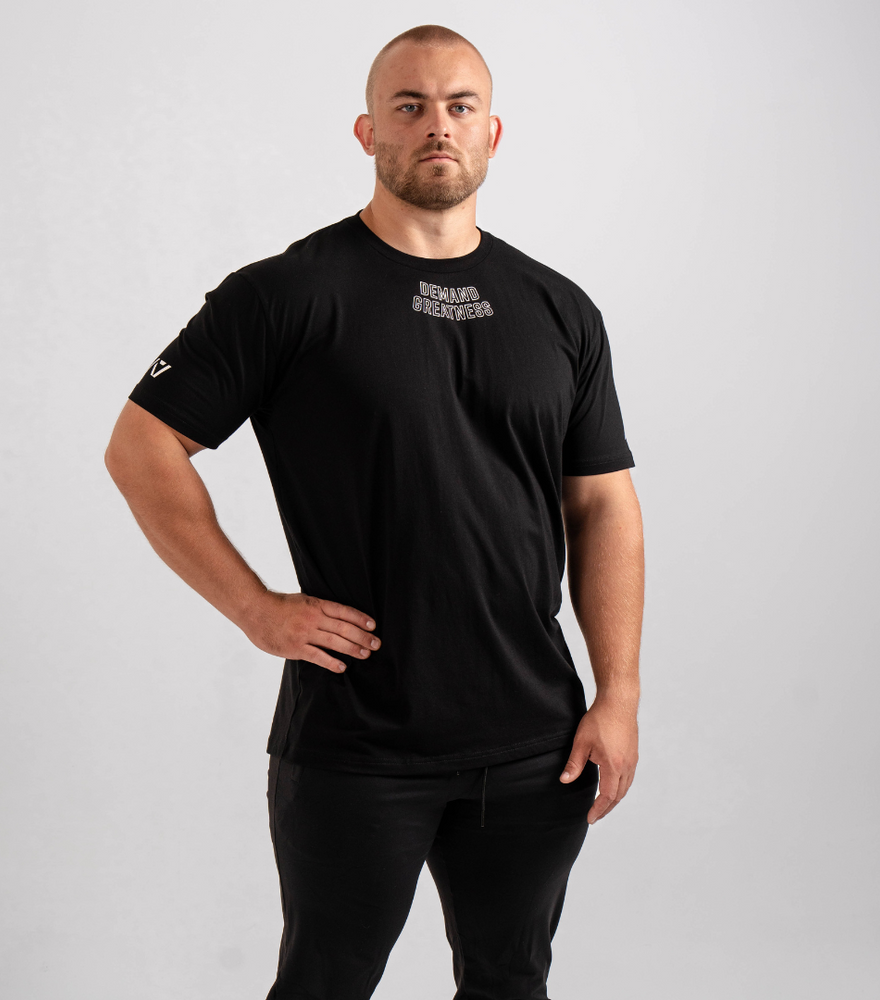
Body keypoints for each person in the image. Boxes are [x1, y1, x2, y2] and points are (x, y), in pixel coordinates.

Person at [105, 23, 644, 1000]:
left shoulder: (559, 310)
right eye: (409, 105)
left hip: (535, 739)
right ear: (367, 132)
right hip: (358, 740)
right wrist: (255, 608)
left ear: (491, 133)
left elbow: (602, 502)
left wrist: (619, 695)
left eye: (460, 106)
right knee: (326, 983)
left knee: (512, 982)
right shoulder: (285, 295)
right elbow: (140, 446)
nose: (437, 125)